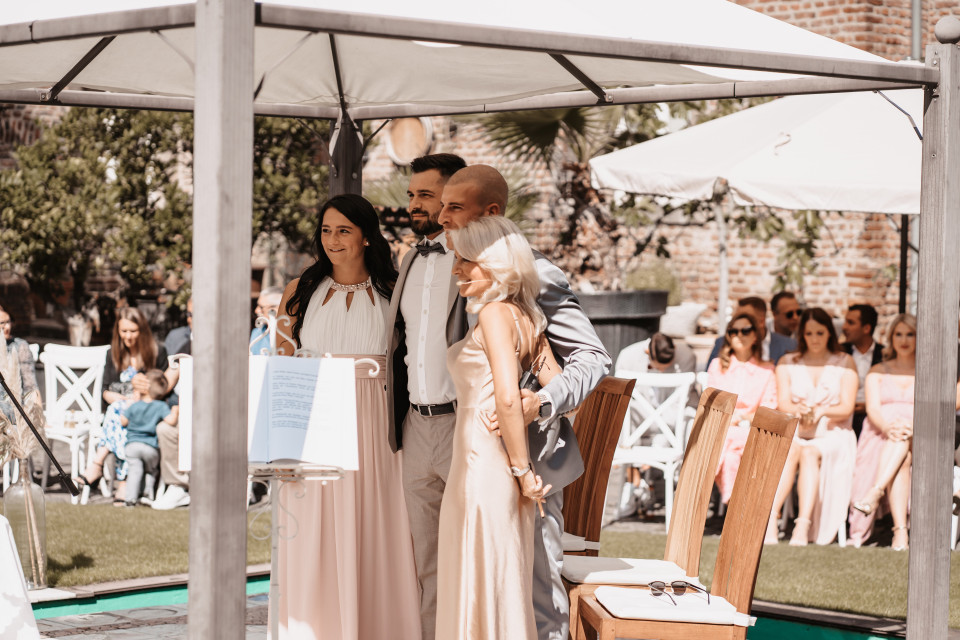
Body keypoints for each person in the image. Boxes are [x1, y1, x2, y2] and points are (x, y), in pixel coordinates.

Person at [429, 163, 610, 640]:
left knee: (533, 596)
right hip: (471, 451)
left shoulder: (535, 274)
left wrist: (542, 402)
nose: (440, 215)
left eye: (453, 206)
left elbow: (593, 358)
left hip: (527, 456)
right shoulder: (454, 267)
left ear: (490, 212)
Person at [274, 194, 421, 640]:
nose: (332, 240)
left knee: (378, 525)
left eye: (343, 230)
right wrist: (283, 442)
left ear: (365, 236)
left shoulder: (396, 289)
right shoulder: (298, 290)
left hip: (375, 421)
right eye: (325, 230)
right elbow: (284, 364)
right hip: (315, 416)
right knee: (312, 527)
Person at [436, 215, 557, 639]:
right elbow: (560, 394)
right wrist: (537, 405)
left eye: (465, 261)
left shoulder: (492, 314)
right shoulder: (530, 318)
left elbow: (507, 395)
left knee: (476, 576)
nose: (456, 270)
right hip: (500, 464)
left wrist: (523, 473)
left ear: (495, 263)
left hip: (483, 466)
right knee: (502, 578)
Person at [769, 307, 858, 546]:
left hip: (833, 433)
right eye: (809, 333)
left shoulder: (845, 362)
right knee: (792, 450)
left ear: (829, 333)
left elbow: (847, 407)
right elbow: (783, 402)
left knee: (809, 452)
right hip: (798, 430)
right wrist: (801, 412)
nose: (815, 338)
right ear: (802, 335)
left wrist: (822, 411)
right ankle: (770, 520)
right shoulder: (788, 362)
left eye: (820, 332)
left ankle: (802, 524)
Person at [79, 307, 177, 503]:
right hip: (121, 408)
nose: (128, 336)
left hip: (145, 410)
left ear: (142, 330)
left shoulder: (157, 352)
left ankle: (98, 463)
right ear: (118, 331)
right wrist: (122, 399)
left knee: (124, 413)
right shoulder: (113, 353)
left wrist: (140, 394)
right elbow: (105, 391)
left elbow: (162, 388)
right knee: (118, 410)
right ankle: (123, 479)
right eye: (124, 331)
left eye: (133, 331)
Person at [848, 314, 916, 549]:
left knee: (902, 443)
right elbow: (873, 408)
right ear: (891, 338)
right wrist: (889, 428)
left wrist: (912, 427)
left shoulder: (928, 371)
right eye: (898, 334)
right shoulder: (877, 370)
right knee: (902, 453)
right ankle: (900, 532)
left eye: (910, 334)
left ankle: (874, 494)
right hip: (881, 432)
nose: (904, 340)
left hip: (919, 434)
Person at [614, 332, 697, 517]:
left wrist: (661, 443)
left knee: (691, 417)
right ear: (646, 352)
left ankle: (683, 484)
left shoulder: (686, 356)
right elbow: (622, 398)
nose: (660, 371)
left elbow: (680, 404)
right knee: (622, 411)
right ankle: (633, 481)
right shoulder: (628, 357)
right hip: (639, 418)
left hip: (674, 419)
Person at [706, 312, 777, 508]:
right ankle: (736, 506)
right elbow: (712, 403)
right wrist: (730, 419)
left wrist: (743, 417)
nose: (739, 335)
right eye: (733, 331)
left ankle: (702, 483)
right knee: (729, 456)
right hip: (722, 428)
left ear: (755, 336)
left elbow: (769, 410)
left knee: (732, 440)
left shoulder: (767, 370)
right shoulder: (717, 366)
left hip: (751, 429)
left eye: (745, 330)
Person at [153, 298, 192, 510]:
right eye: (189, 315)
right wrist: (148, 384)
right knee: (165, 429)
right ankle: (178, 485)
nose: (190, 320)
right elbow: (167, 382)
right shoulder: (186, 344)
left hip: (213, 413)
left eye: (195, 315)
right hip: (183, 410)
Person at [119, 369, 179, 507]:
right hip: (150, 447)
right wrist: (175, 412)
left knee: (135, 469)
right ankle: (147, 495)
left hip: (132, 446)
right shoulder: (160, 406)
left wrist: (128, 406)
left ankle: (130, 499)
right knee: (151, 470)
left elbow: (123, 421)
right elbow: (170, 421)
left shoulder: (134, 406)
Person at [706, 296, 796, 367]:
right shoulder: (723, 343)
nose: (739, 321)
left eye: (746, 318)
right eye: (738, 317)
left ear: (761, 321)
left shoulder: (789, 345)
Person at [841, 304, 884, 439]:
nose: (844, 327)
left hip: (874, 417)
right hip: (843, 416)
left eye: (851, 323)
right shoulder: (840, 352)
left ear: (866, 328)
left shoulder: (884, 354)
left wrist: (868, 406)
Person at [0, 305, 38, 424]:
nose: (7, 327)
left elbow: (31, 387)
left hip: (12, 413)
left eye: (8, 322)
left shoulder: (19, 346)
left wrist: (39, 418)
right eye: (2, 323)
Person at [249, 286, 284, 354]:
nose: (256, 311)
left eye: (261, 307)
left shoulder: (293, 336)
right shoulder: (257, 332)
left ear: (277, 309)